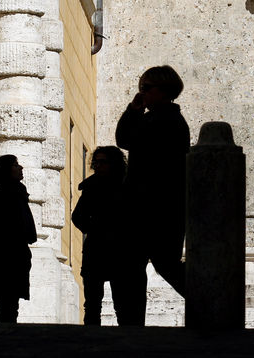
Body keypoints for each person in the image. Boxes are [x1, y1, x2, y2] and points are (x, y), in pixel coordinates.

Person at [116, 65, 190, 306]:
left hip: (152, 205)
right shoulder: (165, 119)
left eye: (146, 88)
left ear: (163, 90)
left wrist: (133, 111)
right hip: (157, 205)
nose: (141, 93)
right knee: (153, 263)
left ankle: (208, 300)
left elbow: (124, 139)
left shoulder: (163, 121)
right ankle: (208, 301)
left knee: (149, 263)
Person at [72, 146, 145, 325]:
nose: (97, 166)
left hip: (122, 252)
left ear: (114, 163)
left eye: (102, 162)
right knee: (92, 306)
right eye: (95, 162)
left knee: (122, 305)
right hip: (96, 251)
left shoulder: (129, 187)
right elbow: (78, 216)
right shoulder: (91, 187)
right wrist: (95, 229)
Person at [0, 155, 37, 323]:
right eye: (15, 165)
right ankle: (3, 338)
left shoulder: (15, 192)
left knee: (10, 303)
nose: (20, 167)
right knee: (8, 303)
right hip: (7, 256)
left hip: (14, 254)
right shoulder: (4, 193)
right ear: (6, 171)